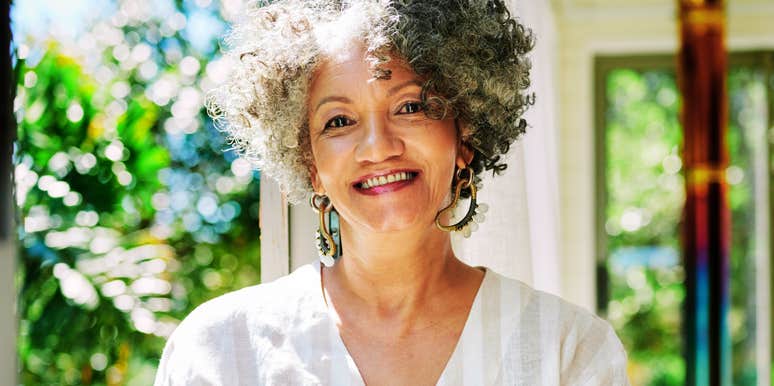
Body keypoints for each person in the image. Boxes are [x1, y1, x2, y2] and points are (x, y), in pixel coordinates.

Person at [154, 0, 630, 385]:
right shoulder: (220, 349)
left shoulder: (569, 350)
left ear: (464, 135)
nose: (378, 147)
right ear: (310, 165)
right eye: (338, 121)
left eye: (410, 106)